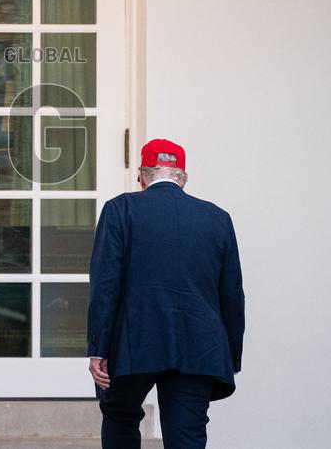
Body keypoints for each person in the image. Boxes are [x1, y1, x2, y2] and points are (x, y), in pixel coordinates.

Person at [87, 139, 244, 449]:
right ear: (183, 177)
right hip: (199, 345)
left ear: (141, 177)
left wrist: (98, 348)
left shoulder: (120, 209)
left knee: (120, 418)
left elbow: (106, 285)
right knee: (187, 434)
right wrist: (230, 355)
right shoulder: (217, 218)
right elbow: (232, 294)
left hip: (133, 342)